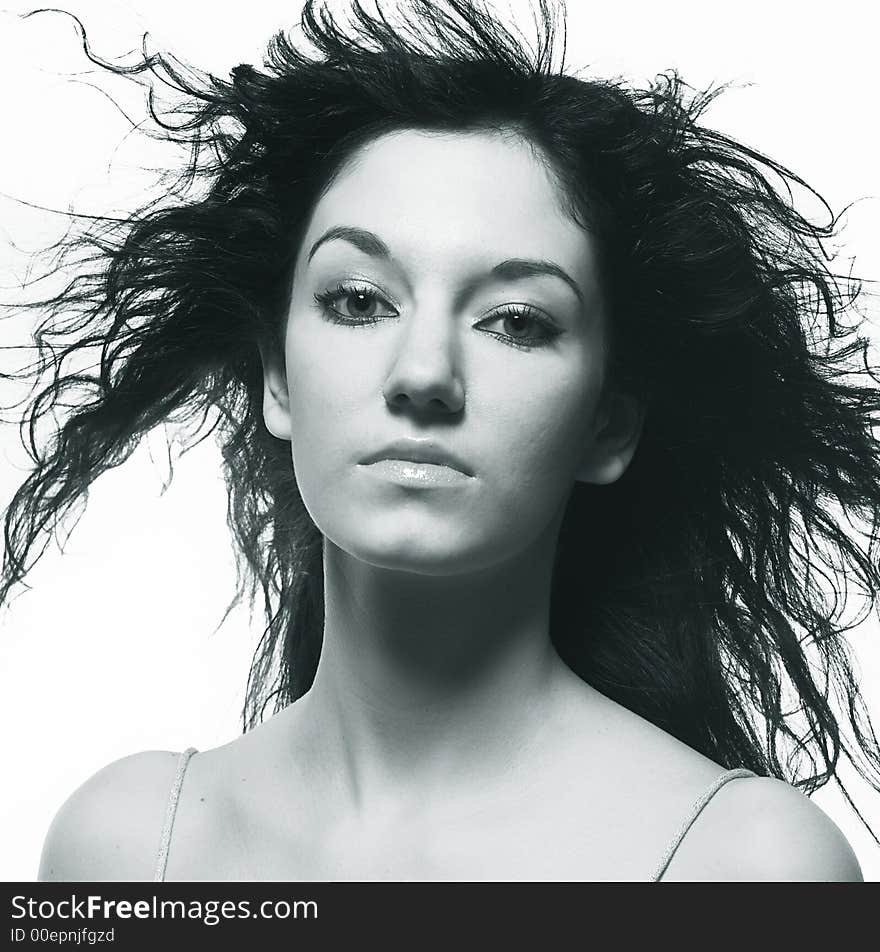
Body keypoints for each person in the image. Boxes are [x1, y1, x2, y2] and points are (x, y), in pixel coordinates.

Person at [3, 0, 878, 880]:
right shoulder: (126, 848)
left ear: (608, 426)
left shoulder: (744, 868)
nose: (423, 372)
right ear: (277, 379)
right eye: (358, 300)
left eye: (515, 321)